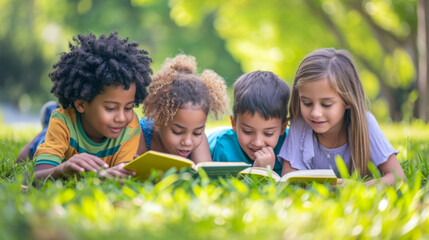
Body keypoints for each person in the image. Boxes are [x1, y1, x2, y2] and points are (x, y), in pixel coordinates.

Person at [31, 31, 153, 180]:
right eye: (110, 108)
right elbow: (34, 178)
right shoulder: (62, 122)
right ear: (81, 104)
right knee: (33, 148)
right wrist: (63, 169)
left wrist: (103, 175)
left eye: (128, 107)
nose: (122, 118)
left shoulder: (130, 126)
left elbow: (121, 176)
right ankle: (46, 124)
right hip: (59, 133)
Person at [278, 48, 405, 185]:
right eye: (307, 103)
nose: (315, 113)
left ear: (348, 101)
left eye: (326, 104)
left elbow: (397, 177)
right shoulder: (300, 126)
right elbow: (288, 177)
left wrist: (355, 188)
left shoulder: (366, 124)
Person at [137, 54, 229, 163]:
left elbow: (203, 173)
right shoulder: (141, 133)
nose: (188, 142)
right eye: (178, 132)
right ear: (158, 118)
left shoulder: (197, 141)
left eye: (197, 133)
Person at [208, 71, 290, 176]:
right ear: (234, 123)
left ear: (283, 128)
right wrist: (259, 173)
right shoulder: (224, 148)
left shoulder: (289, 146)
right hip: (213, 134)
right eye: (248, 131)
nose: (258, 142)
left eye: (268, 133)